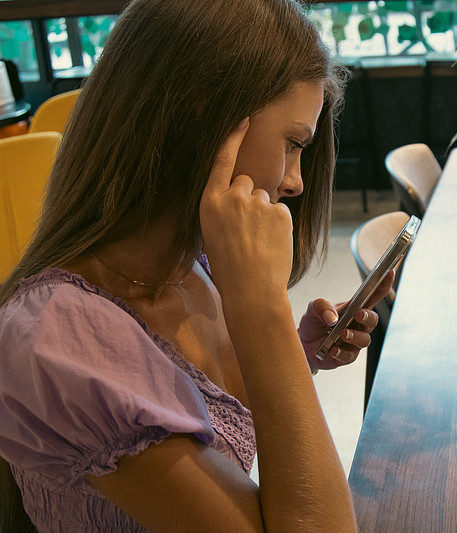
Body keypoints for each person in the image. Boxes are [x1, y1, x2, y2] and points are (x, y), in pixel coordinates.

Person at [0, 0, 392, 531]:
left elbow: (205, 417)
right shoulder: (57, 339)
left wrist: (292, 354)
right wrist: (262, 311)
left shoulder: (192, 265)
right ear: (205, 117)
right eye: (294, 143)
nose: (296, 180)